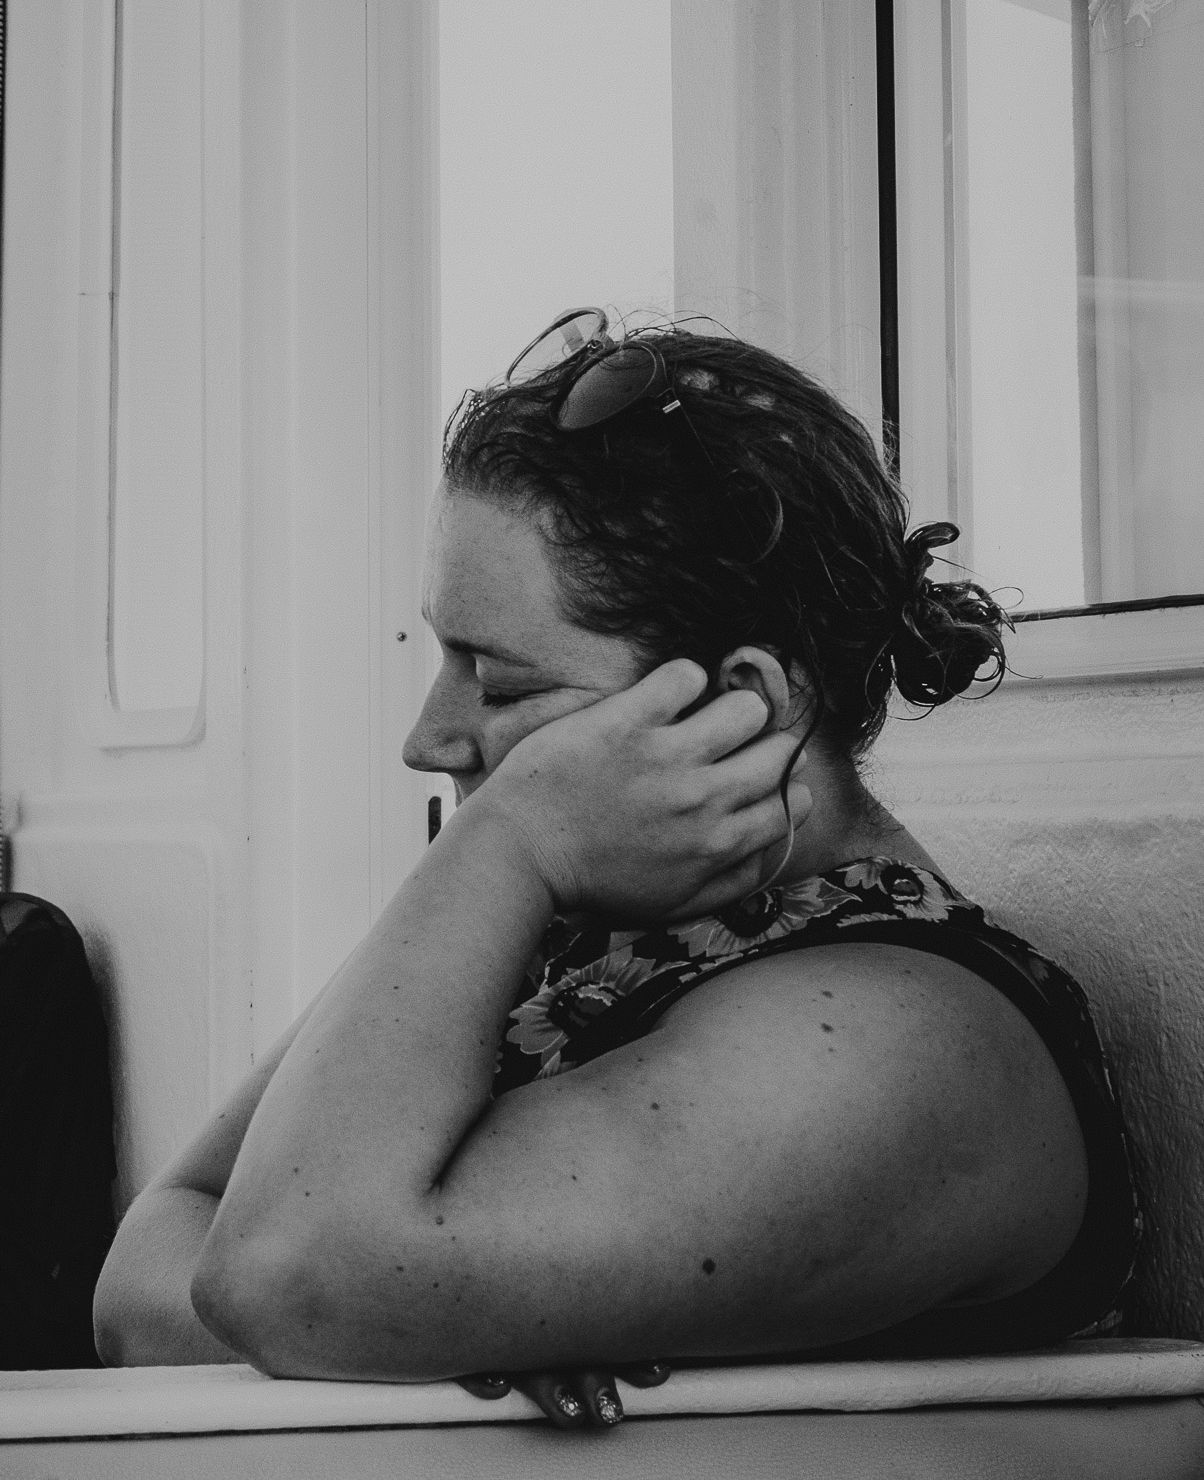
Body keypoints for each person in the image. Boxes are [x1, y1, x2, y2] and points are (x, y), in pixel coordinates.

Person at [90, 316, 1141, 1429]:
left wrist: (512, 840)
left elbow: (279, 1273)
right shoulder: (585, 917)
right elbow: (144, 1273)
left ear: (746, 702)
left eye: (498, 684)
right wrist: (418, 1326)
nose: (428, 738)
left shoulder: (904, 1039)